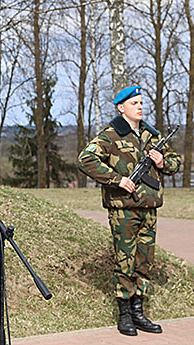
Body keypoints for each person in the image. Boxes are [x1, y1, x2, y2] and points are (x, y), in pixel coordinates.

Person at [78, 86, 181, 337]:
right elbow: (85, 159)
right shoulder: (110, 135)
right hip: (123, 210)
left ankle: (139, 311)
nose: (140, 107)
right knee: (125, 261)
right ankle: (124, 314)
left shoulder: (151, 135)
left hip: (149, 208)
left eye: (141, 103)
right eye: (134, 103)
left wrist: (161, 162)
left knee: (144, 262)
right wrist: (117, 179)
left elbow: (177, 162)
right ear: (121, 108)